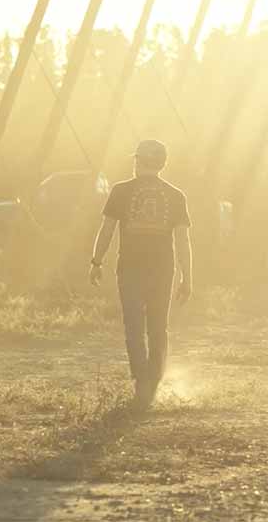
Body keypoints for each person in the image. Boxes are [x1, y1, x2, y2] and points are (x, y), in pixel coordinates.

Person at [88, 139, 192, 408]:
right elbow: (183, 241)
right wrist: (187, 276)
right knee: (159, 327)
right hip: (163, 268)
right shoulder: (176, 195)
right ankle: (153, 383)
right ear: (161, 163)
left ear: (139, 161)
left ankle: (141, 380)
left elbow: (107, 230)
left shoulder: (121, 191)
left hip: (130, 268)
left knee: (133, 326)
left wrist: (96, 261)